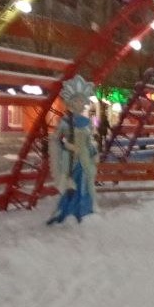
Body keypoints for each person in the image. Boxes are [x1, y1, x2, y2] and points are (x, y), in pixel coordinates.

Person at [47, 75, 98, 225]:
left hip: (85, 159)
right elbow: (56, 138)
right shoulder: (65, 121)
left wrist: (94, 154)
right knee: (72, 184)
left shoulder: (88, 122)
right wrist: (67, 145)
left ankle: (82, 210)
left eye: (82, 100)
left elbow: (90, 142)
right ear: (71, 102)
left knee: (85, 184)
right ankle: (66, 211)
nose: (80, 103)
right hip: (71, 160)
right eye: (77, 100)